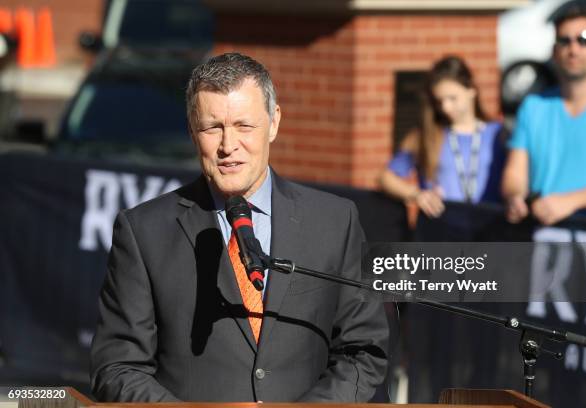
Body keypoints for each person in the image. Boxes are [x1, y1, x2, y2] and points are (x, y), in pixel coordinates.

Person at [90, 53, 388, 402]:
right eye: (212, 127)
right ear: (191, 131)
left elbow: (364, 351)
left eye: (244, 126)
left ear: (274, 122)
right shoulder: (144, 231)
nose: (228, 146)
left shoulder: (334, 221)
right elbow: (117, 368)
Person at [502, 6, 586, 225]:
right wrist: (515, 197)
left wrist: (572, 201)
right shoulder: (533, 106)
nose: (573, 49)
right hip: (545, 239)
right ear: (554, 52)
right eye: (565, 41)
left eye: (584, 40)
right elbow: (515, 174)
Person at [379, 56, 506, 219]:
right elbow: (386, 178)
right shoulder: (428, 134)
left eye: (453, 98)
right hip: (440, 231)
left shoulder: (497, 133)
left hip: (487, 230)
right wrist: (417, 194)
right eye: (439, 101)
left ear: (471, 90)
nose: (446, 108)